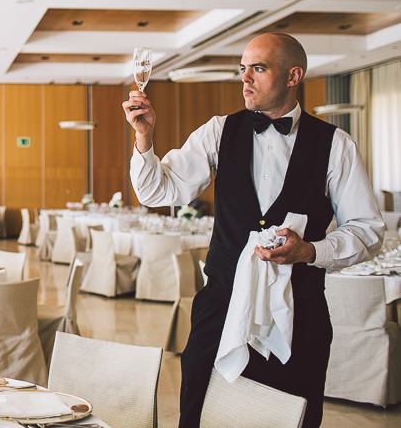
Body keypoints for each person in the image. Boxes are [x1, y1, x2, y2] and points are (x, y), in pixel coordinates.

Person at [122, 33, 384, 428]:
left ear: (293, 75)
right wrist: (144, 138)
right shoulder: (218, 130)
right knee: (199, 412)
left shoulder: (336, 144)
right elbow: (158, 190)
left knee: (289, 416)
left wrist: (310, 251)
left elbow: (368, 230)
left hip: (300, 313)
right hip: (221, 307)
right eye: (242, 68)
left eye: (258, 68)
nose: (245, 78)